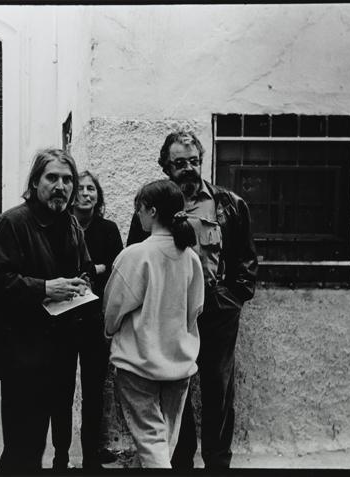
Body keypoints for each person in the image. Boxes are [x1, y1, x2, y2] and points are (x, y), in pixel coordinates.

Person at [127, 130, 258, 470]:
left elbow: (246, 261)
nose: (188, 168)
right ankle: (180, 460)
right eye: (179, 163)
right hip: (169, 313)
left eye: (194, 161)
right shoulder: (152, 207)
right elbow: (136, 257)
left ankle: (217, 462)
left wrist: (232, 298)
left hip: (217, 311)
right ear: (165, 166)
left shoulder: (229, 204)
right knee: (175, 389)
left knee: (218, 389)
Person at [0, 148, 94, 471]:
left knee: (51, 439)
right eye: (52, 178)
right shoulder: (13, 222)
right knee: (23, 445)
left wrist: (83, 282)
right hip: (24, 353)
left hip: (62, 350)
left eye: (68, 179)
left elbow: (83, 267)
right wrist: (44, 288)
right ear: (35, 181)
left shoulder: (71, 225)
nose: (61, 186)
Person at [104, 179, 203, 468]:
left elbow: (113, 310)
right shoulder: (191, 258)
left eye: (140, 209)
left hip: (139, 366)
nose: (138, 215)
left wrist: (110, 332)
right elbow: (195, 310)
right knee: (162, 444)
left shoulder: (135, 255)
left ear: (152, 211)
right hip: (180, 364)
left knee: (151, 444)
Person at [48, 171, 123, 469]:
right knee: (61, 392)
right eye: (80, 188)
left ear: (98, 195)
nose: (85, 194)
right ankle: (60, 456)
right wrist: (95, 269)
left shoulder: (108, 229)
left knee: (94, 393)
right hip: (63, 319)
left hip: (95, 320)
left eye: (91, 188)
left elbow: (118, 268)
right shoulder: (58, 226)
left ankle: (91, 455)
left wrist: (95, 271)